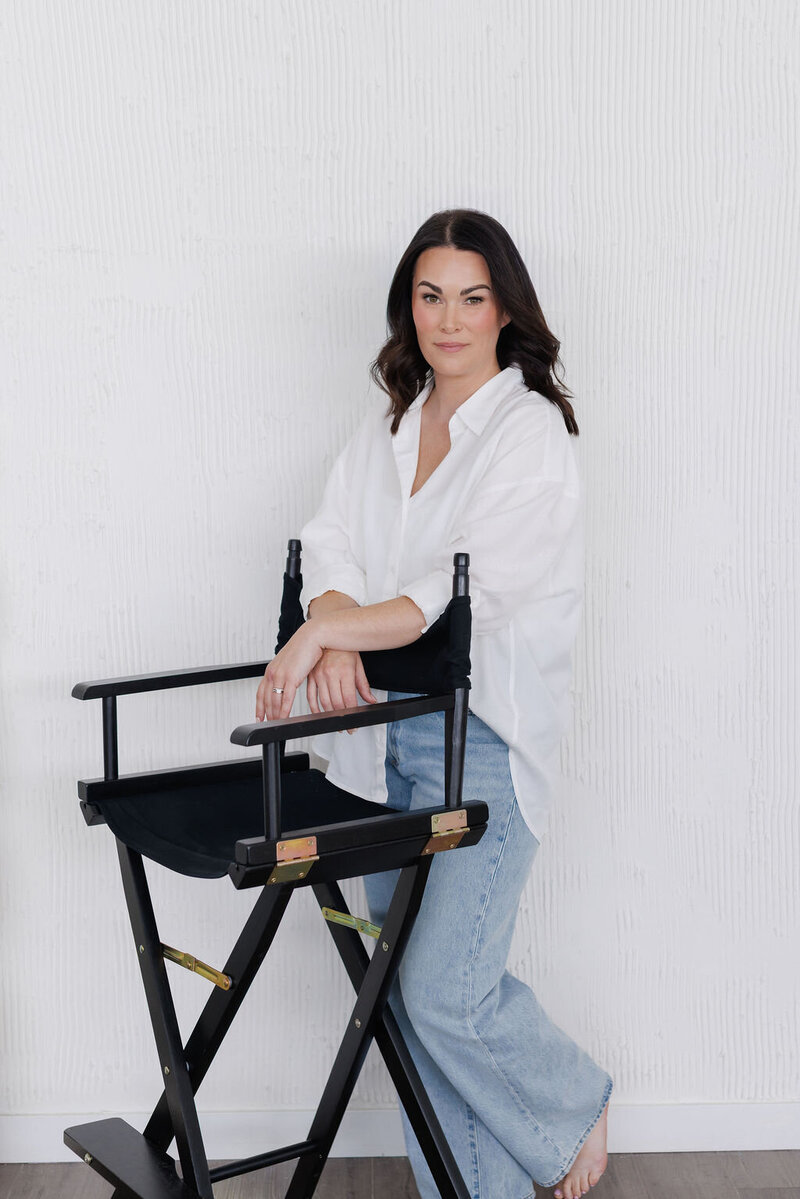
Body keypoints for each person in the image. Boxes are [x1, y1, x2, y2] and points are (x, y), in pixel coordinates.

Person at [256, 209, 612, 1199]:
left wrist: (329, 632)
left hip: (481, 742)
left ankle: (568, 1106)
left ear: (504, 309)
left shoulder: (529, 435)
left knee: (443, 990)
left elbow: (460, 600)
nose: (447, 319)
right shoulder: (388, 426)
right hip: (378, 741)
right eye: (428, 294)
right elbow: (328, 542)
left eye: (469, 296)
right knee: (403, 1002)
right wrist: (329, 616)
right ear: (405, 306)